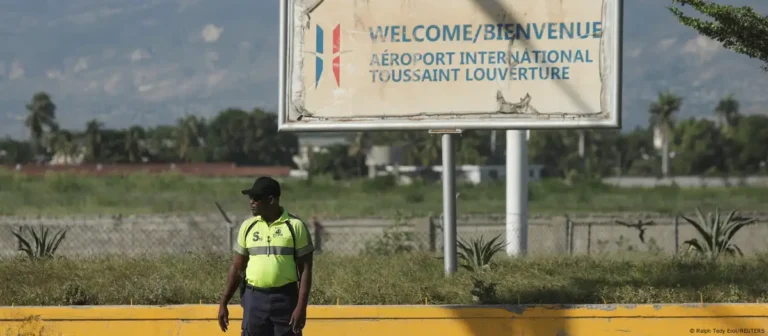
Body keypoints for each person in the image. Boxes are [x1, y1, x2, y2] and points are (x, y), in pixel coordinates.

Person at [218, 176, 314, 336]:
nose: (251, 202)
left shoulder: (295, 226)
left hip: (285, 299)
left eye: (256, 198)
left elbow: (306, 269)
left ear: (271, 199)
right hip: (254, 300)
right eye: (250, 198)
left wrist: (301, 307)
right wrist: (223, 302)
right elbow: (236, 268)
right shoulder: (248, 226)